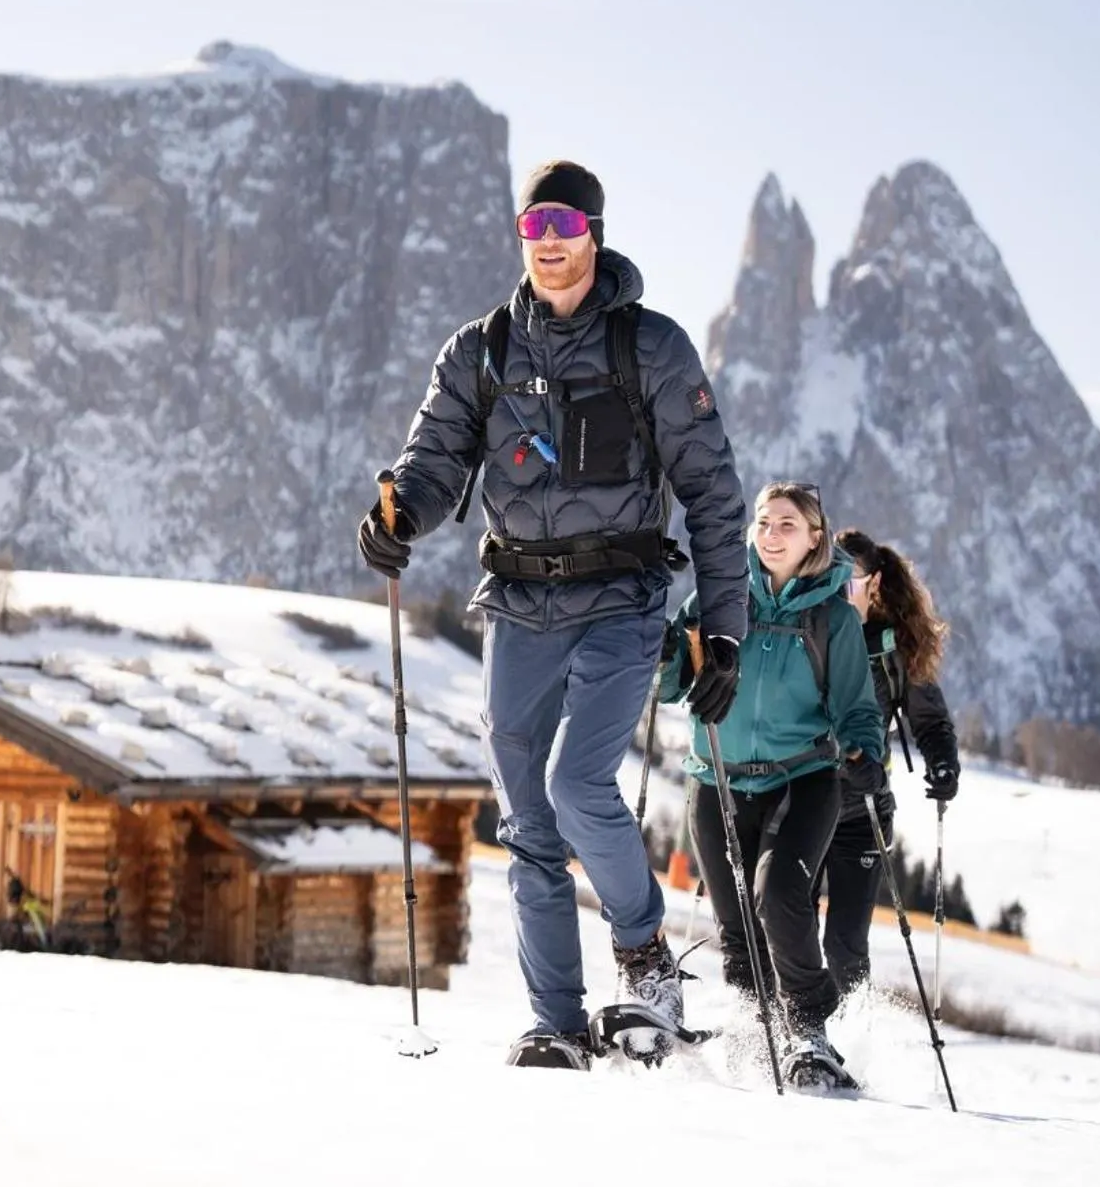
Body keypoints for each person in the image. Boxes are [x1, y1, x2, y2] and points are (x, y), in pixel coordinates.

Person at [357, 159, 748, 1069]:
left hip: (621, 598)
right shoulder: (479, 352)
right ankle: (557, 1023)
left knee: (579, 785)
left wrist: (721, 625)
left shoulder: (650, 348)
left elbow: (712, 493)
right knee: (526, 818)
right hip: (520, 604)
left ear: (596, 234)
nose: (552, 245)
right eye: (536, 228)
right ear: (521, 238)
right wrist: (398, 516)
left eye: (567, 227)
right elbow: (433, 459)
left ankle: (644, 954)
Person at [661, 481, 885, 1087]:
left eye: (787, 524)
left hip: (802, 779)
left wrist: (866, 751)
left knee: (779, 893)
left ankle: (808, 1029)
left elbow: (856, 707)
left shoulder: (831, 617)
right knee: (737, 928)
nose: (771, 534)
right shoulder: (719, 598)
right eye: (763, 523)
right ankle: (754, 1034)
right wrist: (661, 650)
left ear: (816, 537)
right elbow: (667, 682)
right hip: (716, 780)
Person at [820, 527, 960, 998]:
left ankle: (848, 1039)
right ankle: (792, 1035)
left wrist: (944, 764)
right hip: (799, 805)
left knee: (844, 946)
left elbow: (931, 721)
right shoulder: (804, 629)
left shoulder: (893, 651)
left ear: (875, 584)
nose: (840, 591)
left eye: (851, 581)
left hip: (863, 812)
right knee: (783, 929)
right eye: (830, 578)